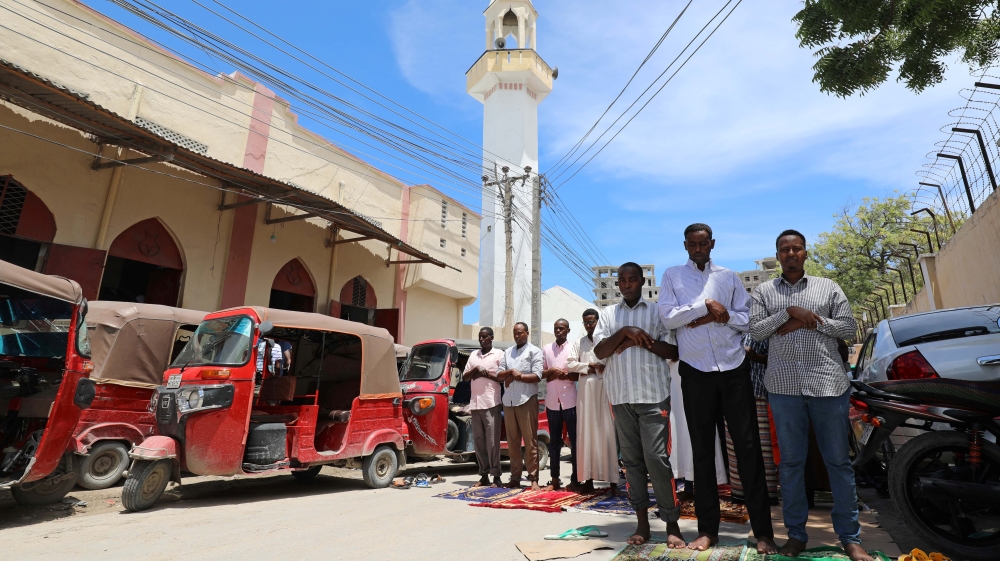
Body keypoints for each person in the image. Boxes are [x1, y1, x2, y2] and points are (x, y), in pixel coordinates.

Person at [749, 229, 871, 561]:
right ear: (777, 256)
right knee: (790, 464)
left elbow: (848, 328)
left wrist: (810, 322)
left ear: (806, 253)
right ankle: (796, 537)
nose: (791, 254)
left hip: (828, 385)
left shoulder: (828, 287)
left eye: (797, 248)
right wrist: (788, 313)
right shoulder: (764, 291)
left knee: (838, 462)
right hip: (784, 388)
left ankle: (850, 538)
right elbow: (756, 330)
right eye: (784, 250)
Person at [658, 223, 777, 555]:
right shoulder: (672, 276)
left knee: (748, 448)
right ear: (685, 246)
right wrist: (705, 308)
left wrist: (720, 318)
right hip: (695, 371)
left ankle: (763, 531)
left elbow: (748, 319)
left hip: (733, 368)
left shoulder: (729, 276)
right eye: (692, 244)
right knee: (702, 452)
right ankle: (708, 530)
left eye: (703, 244)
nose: (698, 249)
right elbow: (668, 318)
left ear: (712, 244)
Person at [593, 262, 685, 548]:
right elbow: (599, 351)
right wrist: (625, 332)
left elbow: (674, 350)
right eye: (622, 280)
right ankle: (642, 524)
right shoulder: (608, 314)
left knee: (657, 459)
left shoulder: (658, 312)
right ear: (617, 284)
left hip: (653, 396)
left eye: (633, 279)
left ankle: (672, 524)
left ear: (642, 282)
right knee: (631, 463)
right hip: (620, 398)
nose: (627, 284)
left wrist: (638, 342)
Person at [724, 333, 780, 505]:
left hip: (760, 393)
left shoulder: (765, 327)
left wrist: (754, 355)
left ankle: (767, 493)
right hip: (732, 394)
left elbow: (777, 358)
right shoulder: (727, 327)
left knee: (765, 448)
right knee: (735, 447)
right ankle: (740, 493)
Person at [566, 308, 617, 495]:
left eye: (592, 321)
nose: (589, 325)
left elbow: (613, 361)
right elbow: (570, 363)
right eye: (586, 322)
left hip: (604, 390)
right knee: (586, 435)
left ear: (598, 322)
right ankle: (587, 481)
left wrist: (601, 366)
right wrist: (589, 366)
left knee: (607, 434)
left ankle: (612, 482)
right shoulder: (579, 343)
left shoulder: (606, 340)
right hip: (586, 392)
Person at [497, 322, 543, 490]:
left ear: (527, 333)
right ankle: (515, 477)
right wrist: (510, 373)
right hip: (508, 400)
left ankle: (533, 478)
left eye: (520, 332)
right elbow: (499, 374)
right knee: (512, 441)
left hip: (526, 399)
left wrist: (519, 376)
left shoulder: (535, 351)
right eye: (515, 333)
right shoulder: (507, 352)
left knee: (530, 440)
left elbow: (537, 376)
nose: (517, 335)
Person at [462, 327, 504, 488]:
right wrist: (475, 370)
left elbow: (501, 377)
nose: (481, 340)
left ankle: (496, 476)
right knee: (479, 442)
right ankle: (484, 474)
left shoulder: (499, 354)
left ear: (491, 338)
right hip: (476, 403)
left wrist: (484, 373)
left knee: (492, 442)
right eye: (480, 337)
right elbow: (466, 377)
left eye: (485, 337)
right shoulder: (474, 355)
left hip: (491, 403)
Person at [542, 319, 579, 491]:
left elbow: (577, 374)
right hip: (552, 402)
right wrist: (551, 372)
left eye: (562, 328)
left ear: (568, 330)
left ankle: (575, 480)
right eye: (556, 328)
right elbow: (541, 373)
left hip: (570, 401)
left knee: (575, 442)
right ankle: (555, 479)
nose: (558, 331)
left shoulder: (574, 347)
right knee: (554, 442)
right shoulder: (547, 349)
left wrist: (564, 374)